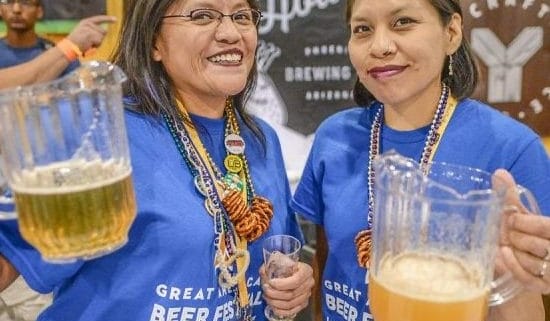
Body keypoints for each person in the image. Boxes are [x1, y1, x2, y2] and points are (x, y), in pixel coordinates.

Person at [0, 0, 314, 320]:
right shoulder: (100, 129)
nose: (231, 33)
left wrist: (295, 282)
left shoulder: (261, 138)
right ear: (154, 42)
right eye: (202, 15)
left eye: (242, 16)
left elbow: (280, 251)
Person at [290, 0, 550, 320]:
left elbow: (532, 304)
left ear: (451, 32)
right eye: (363, 30)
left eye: (403, 22)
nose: (380, 46)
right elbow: (324, 261)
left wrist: (516, 269)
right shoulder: (334, 137)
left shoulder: (512, 148)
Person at [0, 13, 115, 89]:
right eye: (7, 1)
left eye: (25, 2)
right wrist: (69, 47)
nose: (16, 9)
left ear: (39, 10)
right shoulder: (62, 53)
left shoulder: (53, 51)